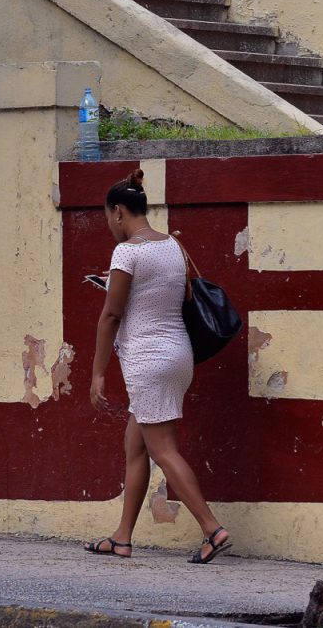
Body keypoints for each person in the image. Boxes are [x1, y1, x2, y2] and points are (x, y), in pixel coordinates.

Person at [84, 169, 231, 565]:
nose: (110, 227)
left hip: (147, 361)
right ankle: (121, 538)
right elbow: (158, 295)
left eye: (108, 219)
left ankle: (212, 530)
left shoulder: (127, 252)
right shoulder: (171, 246)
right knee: (136, 447)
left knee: (163, 450)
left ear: (118, 212)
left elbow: (111, 316)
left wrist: (98, 372)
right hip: (177, 355)